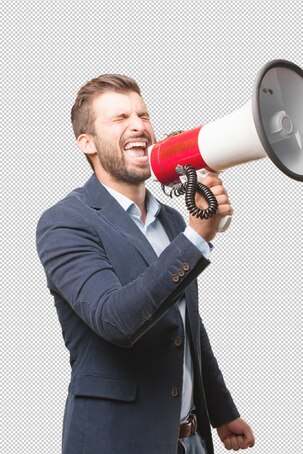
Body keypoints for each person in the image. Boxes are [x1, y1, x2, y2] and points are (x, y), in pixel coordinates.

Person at [36, 74, 255, 454]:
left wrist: (221, 411)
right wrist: (196, 238)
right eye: (120, 118)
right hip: (116, 442)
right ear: (86, 143)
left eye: (143, 114)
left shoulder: (172, 219)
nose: (138, 124)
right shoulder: (65, 222)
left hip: (190, 440)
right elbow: (115, 319)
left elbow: (185, 325)